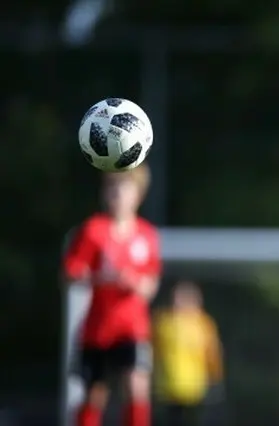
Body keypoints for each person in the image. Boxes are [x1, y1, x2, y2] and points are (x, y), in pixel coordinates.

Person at [63, 164, 161, 426]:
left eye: (124, 188)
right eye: (112, 188)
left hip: (132, 329)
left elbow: (151, 284)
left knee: (137, 384)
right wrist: (97, 276)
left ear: (138, 194)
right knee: (96, 394)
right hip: (98, 329)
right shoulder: (93, 230)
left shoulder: (146, 235)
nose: (117, 194)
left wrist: (136, 283)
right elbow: (72, 271)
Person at [153, 280, 225, 426]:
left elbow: (212, 352)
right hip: (169, 387)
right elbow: (154, 351)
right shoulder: (163, 322)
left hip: (195, 388)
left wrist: (215, 377)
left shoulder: (203, 323)